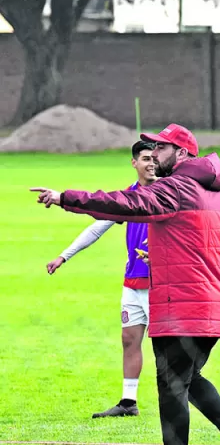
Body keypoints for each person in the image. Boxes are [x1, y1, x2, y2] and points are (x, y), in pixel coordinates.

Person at [32, 123, 220, 445]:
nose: (153, 155)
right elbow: (201, 247)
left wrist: (64, 198)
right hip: (213, 303)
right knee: (185, 378)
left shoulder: (175, 188)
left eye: (161, 148)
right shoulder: (219, 197)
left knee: (170, 385)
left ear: (182, 154)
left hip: (182, 304)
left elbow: (125, 203)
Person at [46, 141, 156, 418]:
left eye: (154, 157)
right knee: (129, 339)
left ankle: (179, 399)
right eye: (145, 158)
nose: (151, 163)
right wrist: (64, 256)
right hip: (133, 281)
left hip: (161, 282)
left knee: (166, 347)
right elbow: (97, 228)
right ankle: (128, 402)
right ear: (134, 163)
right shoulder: (128, 197)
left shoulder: (167, 194)